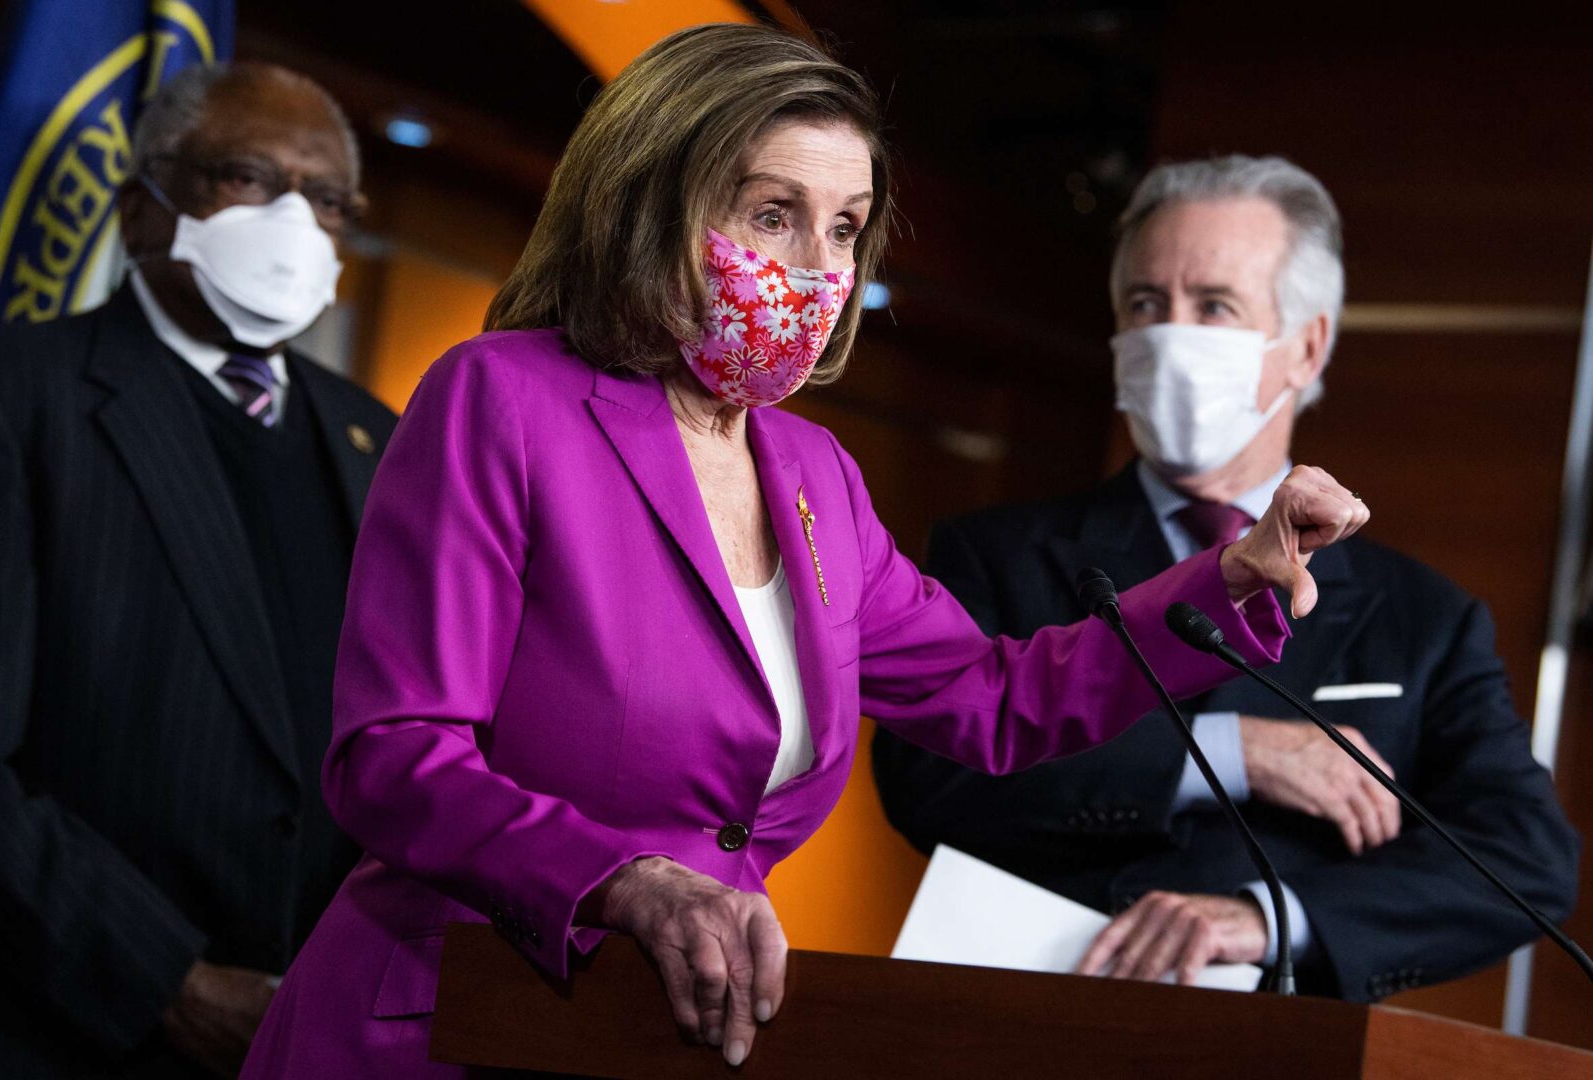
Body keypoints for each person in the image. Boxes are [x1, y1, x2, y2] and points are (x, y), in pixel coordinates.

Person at [240, 33, 1367, 1076]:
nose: (817, 268)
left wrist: (1229, 580)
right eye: (773, 214)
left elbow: (994, 698)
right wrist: (625, 879)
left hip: (652, 1037)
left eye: (843, 226)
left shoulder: (815, 473)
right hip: (445, 1019)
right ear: (656, 207)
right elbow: (393, 755)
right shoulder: (502, 401)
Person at [872, 155, 1580, 1001]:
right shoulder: (996, 554)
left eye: (1213, 306)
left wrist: (1270, 915)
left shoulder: (1422, 615)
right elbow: (927, 780)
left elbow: (1523, 857)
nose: (1170, 337)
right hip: (1024, 1015)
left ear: (1306, 346)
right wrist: (1231, 753)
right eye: (1144, 305)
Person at [0, 63, 396, 1076]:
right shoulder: (10, 396)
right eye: (249, 177)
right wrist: (169, 983)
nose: (296, 221)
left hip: (315, 1034)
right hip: (67, 1029)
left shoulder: (377, 441)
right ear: (139, 208)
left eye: (326, 198)